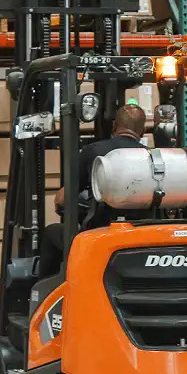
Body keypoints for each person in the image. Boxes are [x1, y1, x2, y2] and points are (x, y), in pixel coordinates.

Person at [39, 103, 147, 276]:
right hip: (141, 235)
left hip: (101, 234)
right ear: (142, 132)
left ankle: (47, 293)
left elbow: (63, 198)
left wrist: (60, 204)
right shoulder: (151, 157)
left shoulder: (94, 151)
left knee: (52, 233)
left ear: (114, 126)